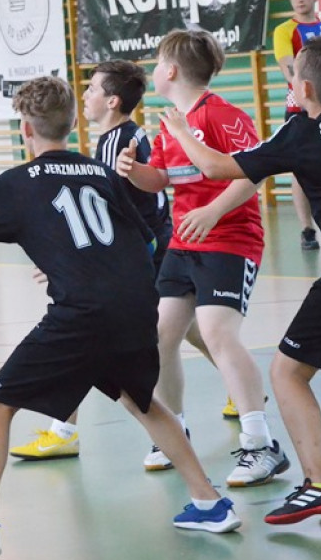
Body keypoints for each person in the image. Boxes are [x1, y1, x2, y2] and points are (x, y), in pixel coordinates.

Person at [0, 76, 240, 560]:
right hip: (135, 305)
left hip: (81, 313)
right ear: (71, 123)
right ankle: (210, 503)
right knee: (144, 403)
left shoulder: (14, 184)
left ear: (26, 129)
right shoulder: (102, 172)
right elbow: (142, 241)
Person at [159, 35, 321, 524]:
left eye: (292, 77)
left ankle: (318, 483)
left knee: (288, 372)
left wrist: (182, 130)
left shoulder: (300, 134)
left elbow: (214, 166)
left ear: (305, 88)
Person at [10, 60, 236, 461]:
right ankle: (241, 388)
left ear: (112, 101)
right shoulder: (115, 139)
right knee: (182, 330)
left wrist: (73, 259)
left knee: (90, 333)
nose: (85, 95)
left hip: (144, 255)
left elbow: (120, 213)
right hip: (155, 249)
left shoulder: (119, 143)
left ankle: (67, 430)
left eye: (92, 89)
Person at [116, 29, 288, 485]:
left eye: (156, 62)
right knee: (160, 335)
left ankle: (261, 444)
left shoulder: (222, 115)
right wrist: (137, 173)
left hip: (230, 239)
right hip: (184, 243)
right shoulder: (172, 121)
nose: (153, 70)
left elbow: (253, 173)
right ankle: (175, 432)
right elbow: (166, 180)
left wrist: (213, 211)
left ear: (170, 70)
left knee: (216, 333)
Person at [273, 0, 321, 250]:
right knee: (301, 169)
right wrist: (311, 96)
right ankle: (307, 229)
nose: (299, 0)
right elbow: (289, 70)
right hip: (299, 107)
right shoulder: (285, 30)